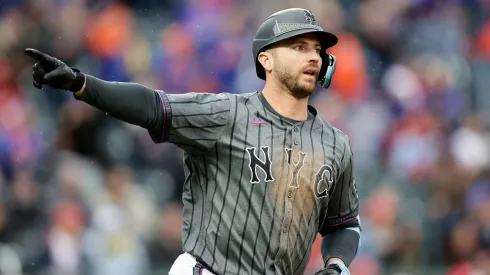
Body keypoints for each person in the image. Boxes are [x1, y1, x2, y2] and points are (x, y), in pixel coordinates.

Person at [25, 7, 361, 275]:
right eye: (299, 47)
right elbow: (152, 107)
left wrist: (336, 265)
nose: (314, 57)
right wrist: (81, 83)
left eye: (317, 49)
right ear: (266, 60)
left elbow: (344, 224)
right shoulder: (227, 114)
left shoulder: (335, 145)